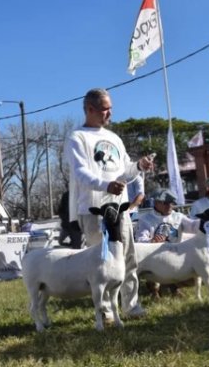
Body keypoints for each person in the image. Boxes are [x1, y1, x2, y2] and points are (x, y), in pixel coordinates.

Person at [64, 88, 154, 319]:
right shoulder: (77, 137)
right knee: (101, 262)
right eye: (105, 109)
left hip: (120, 209)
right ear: (90, 109)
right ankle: (105, 311)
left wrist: (139, 166)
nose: (110, 114)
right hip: (93, 210)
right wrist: (107, 185)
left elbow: (126, 171)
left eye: (111, 108)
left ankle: (131, 306)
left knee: (128, 257)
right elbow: (80, 173)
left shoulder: (114, 138)